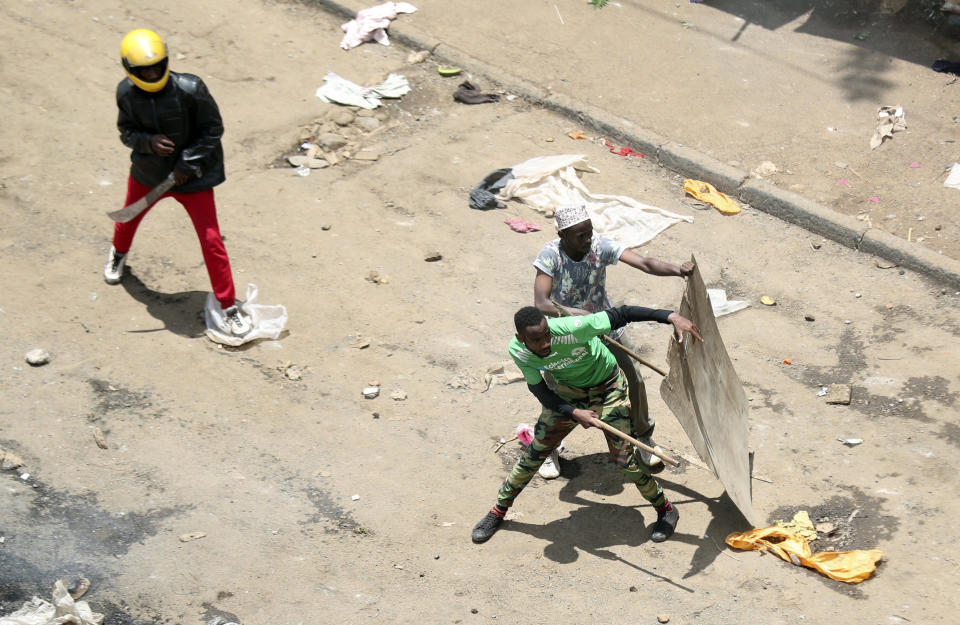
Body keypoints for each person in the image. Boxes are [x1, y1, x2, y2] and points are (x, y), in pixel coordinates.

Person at [470, 305, 703, 545]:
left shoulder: (573, 329)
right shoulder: (518, 351)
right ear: (521, 338)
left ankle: (666, 509)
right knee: (535, 452)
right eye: (536, 340)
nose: (545, 344)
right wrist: (573, 412)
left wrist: (671, 317)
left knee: (625, 462)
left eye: (547, 335)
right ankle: (498, 510)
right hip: (569, 393)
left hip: (609, 387)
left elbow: (622, 314)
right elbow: (540, 390)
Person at [104, 28, 250, 336]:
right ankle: (118, 254)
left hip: (191, 179)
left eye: (157, 65)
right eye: (145, 69)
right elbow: (126, 131)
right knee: (128, 219)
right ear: (131, 70)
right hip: (149, 174)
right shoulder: (126, 93)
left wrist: (188, 163)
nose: (153, 72)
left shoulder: (190, 88)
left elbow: (212, 128)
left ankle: (228, 305)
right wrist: (147, 143)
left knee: (212, 242)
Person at [531, 204, 693, 478]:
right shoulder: (551, 256)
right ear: (562, 235)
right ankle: (551, 447)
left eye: (589, 233)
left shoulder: (599, 246)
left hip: (605, 325)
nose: (587, 240)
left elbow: (643, 262)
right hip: (568, 335)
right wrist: (573, 315)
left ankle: (643, 439)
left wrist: (679, 270)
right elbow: (541, 301)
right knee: (558, 391)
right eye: (580, 236)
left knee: (636, 378)